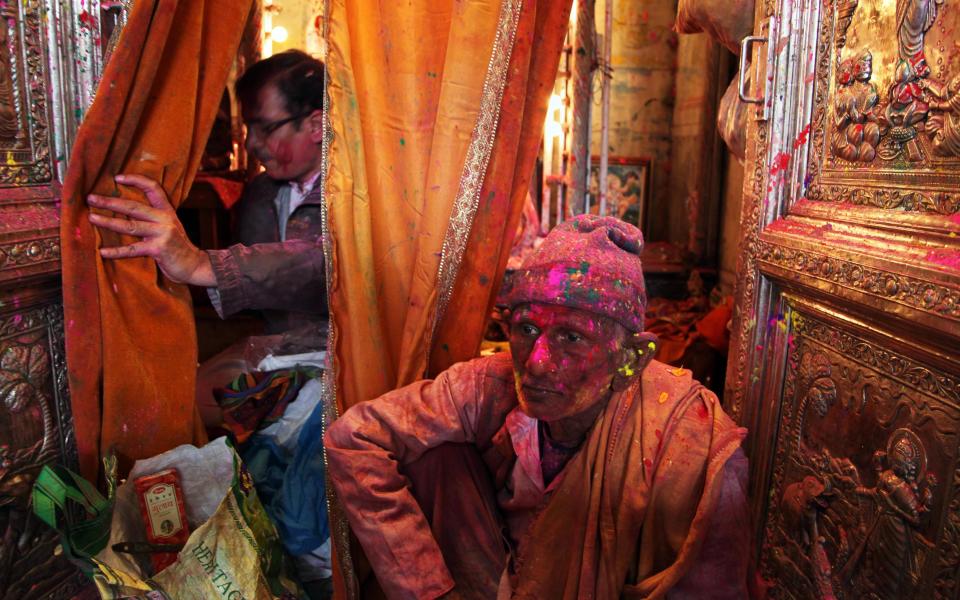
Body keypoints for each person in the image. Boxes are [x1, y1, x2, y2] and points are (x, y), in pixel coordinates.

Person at [325, 215, 750, 599]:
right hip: (497, 577)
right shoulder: (490, 382)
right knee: (434, 456)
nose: (537, 362)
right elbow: (353, 437)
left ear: (631, 359)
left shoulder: (686, 437)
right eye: (527, 329)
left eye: (571, 337)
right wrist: (428, 588)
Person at [86, 50, 329, 426]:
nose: (251, 145)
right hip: (281, 347)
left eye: (264, 128)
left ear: (316, 125)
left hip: (344, 355)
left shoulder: (351, 193)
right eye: (249, 128)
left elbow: (324, 265)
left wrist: (202, 264)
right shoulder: (263, 192)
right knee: (181, 400)